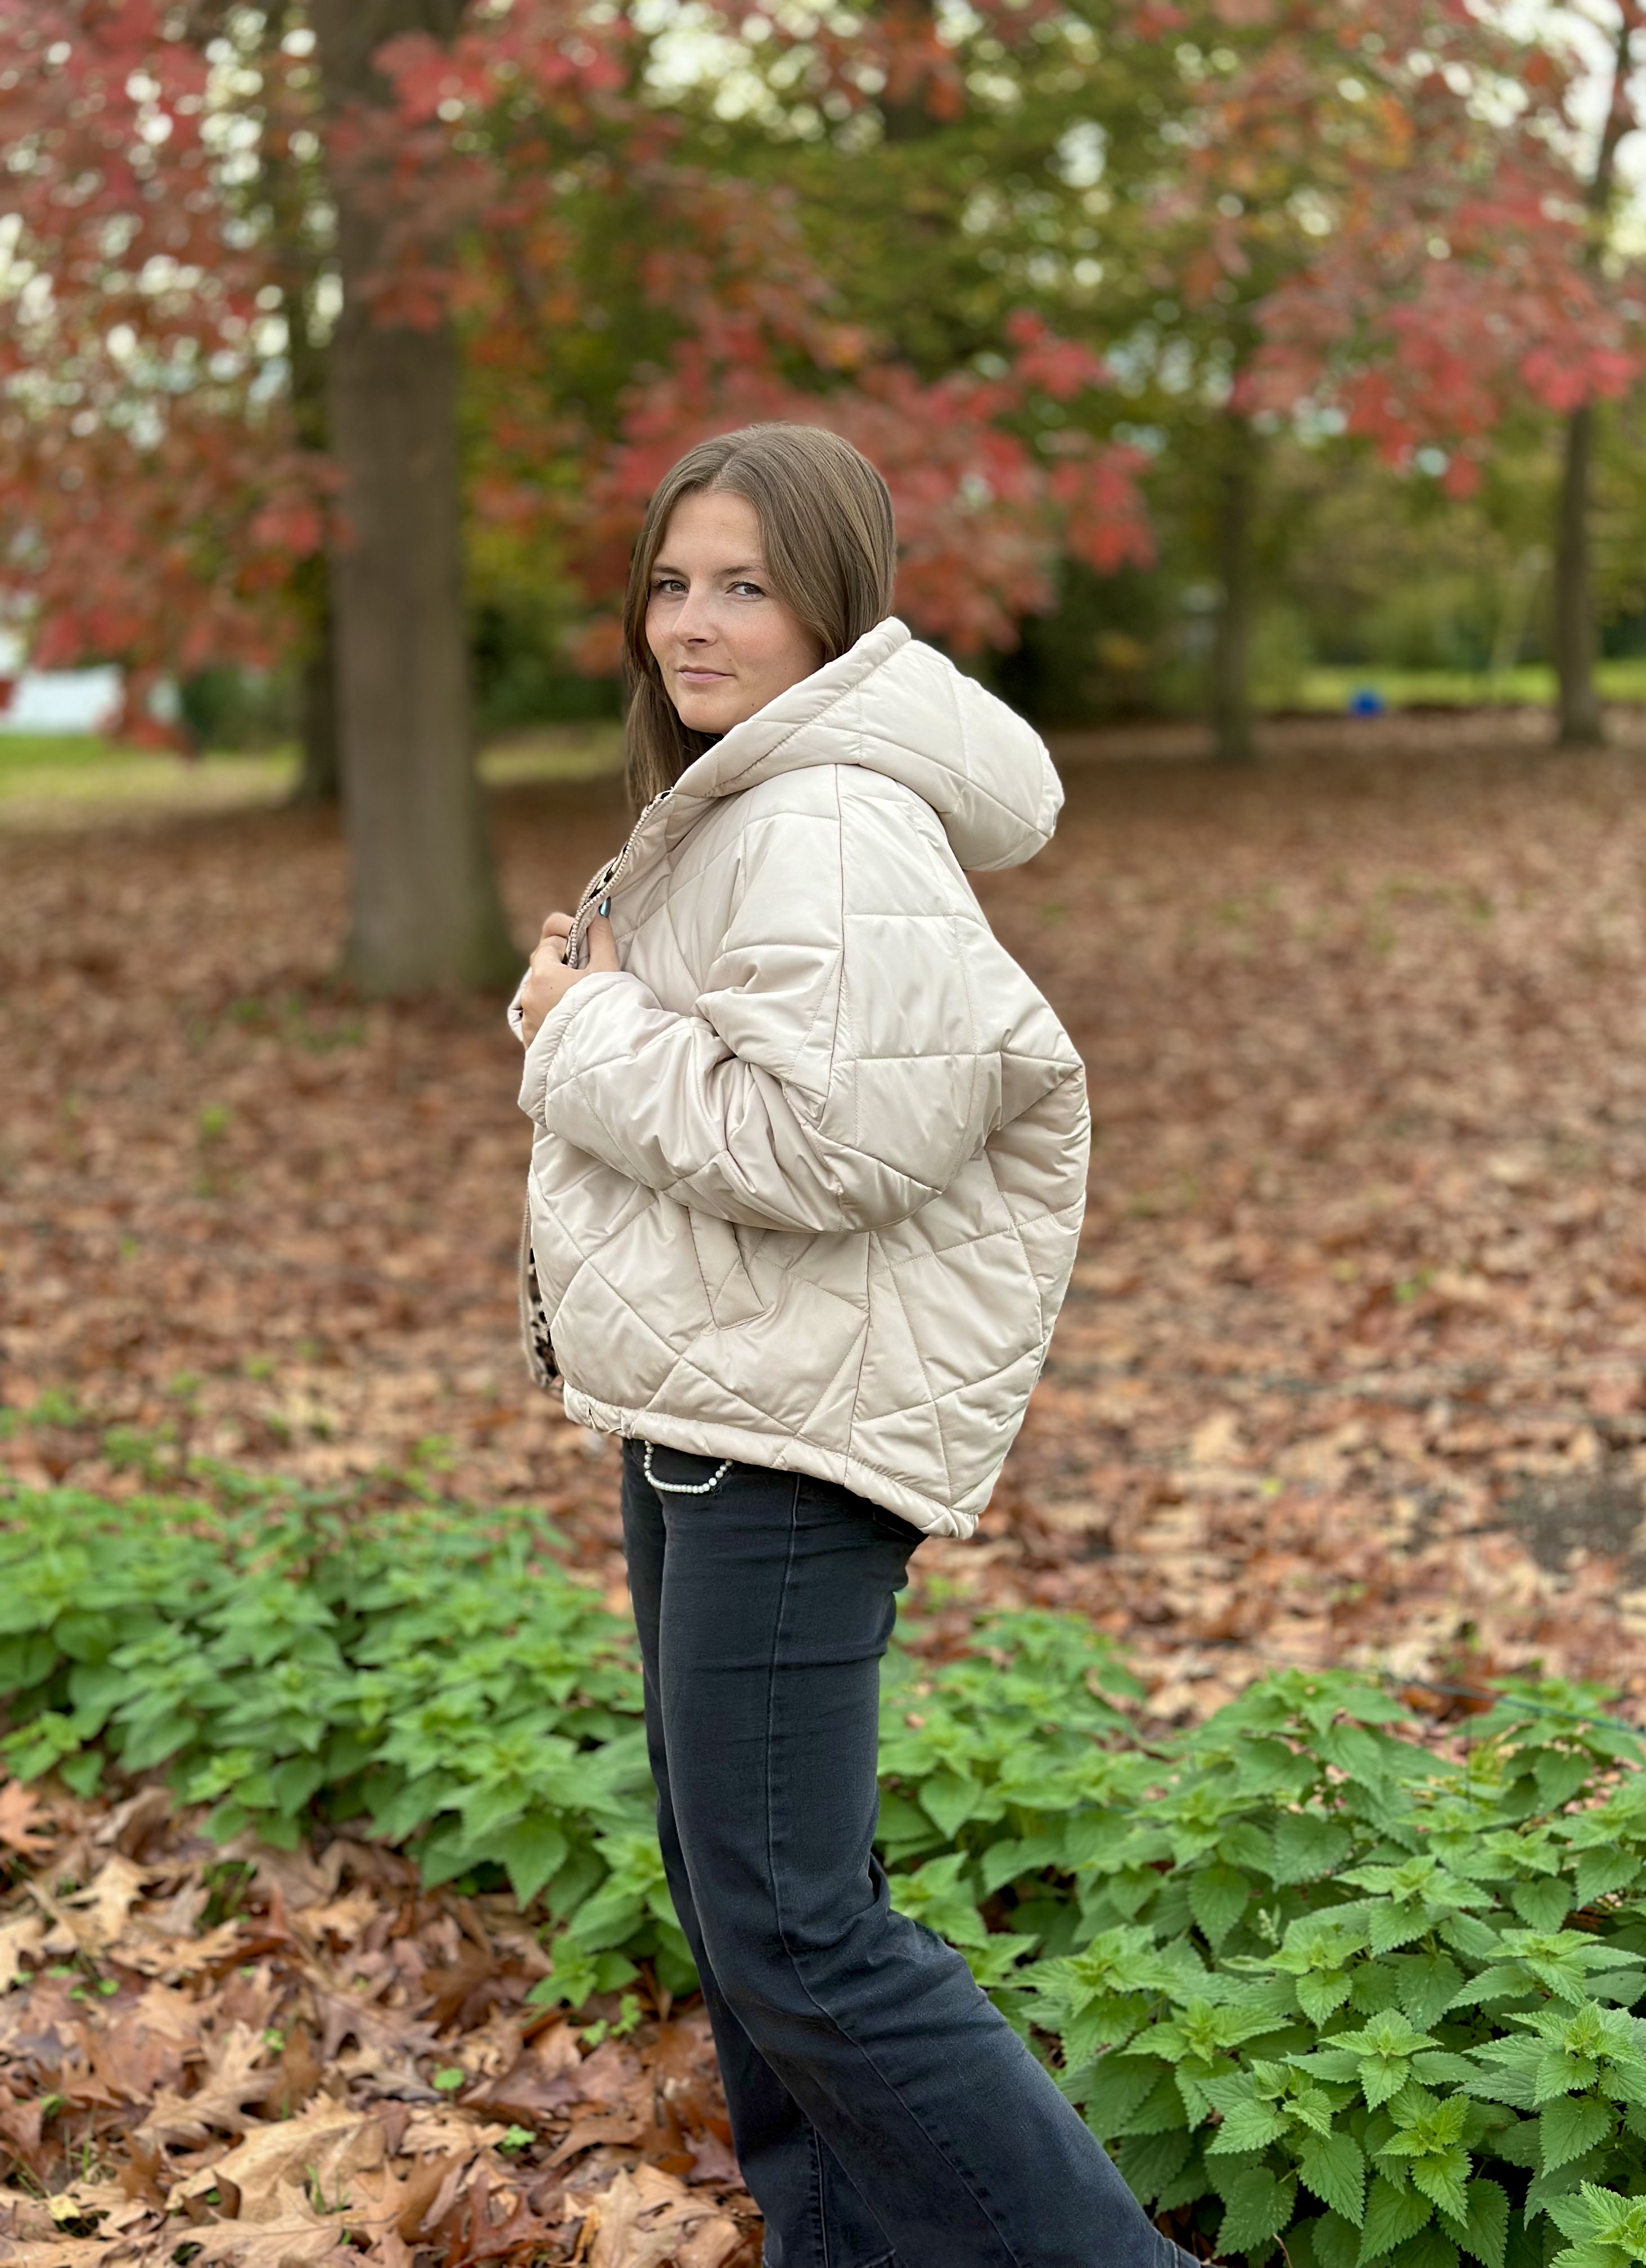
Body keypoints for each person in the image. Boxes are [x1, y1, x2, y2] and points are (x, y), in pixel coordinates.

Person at [511, 424, 1189, 2268]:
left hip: (788, 1435)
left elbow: (835, 1144)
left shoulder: (825, 815)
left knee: (801, 1933)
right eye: (671, 582)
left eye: (744, 586)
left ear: (834, 602)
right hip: (722, 1399)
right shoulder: (754, 795)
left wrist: (580, 1030)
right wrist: (601, 1007)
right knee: (752, 1912)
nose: (692, 622)